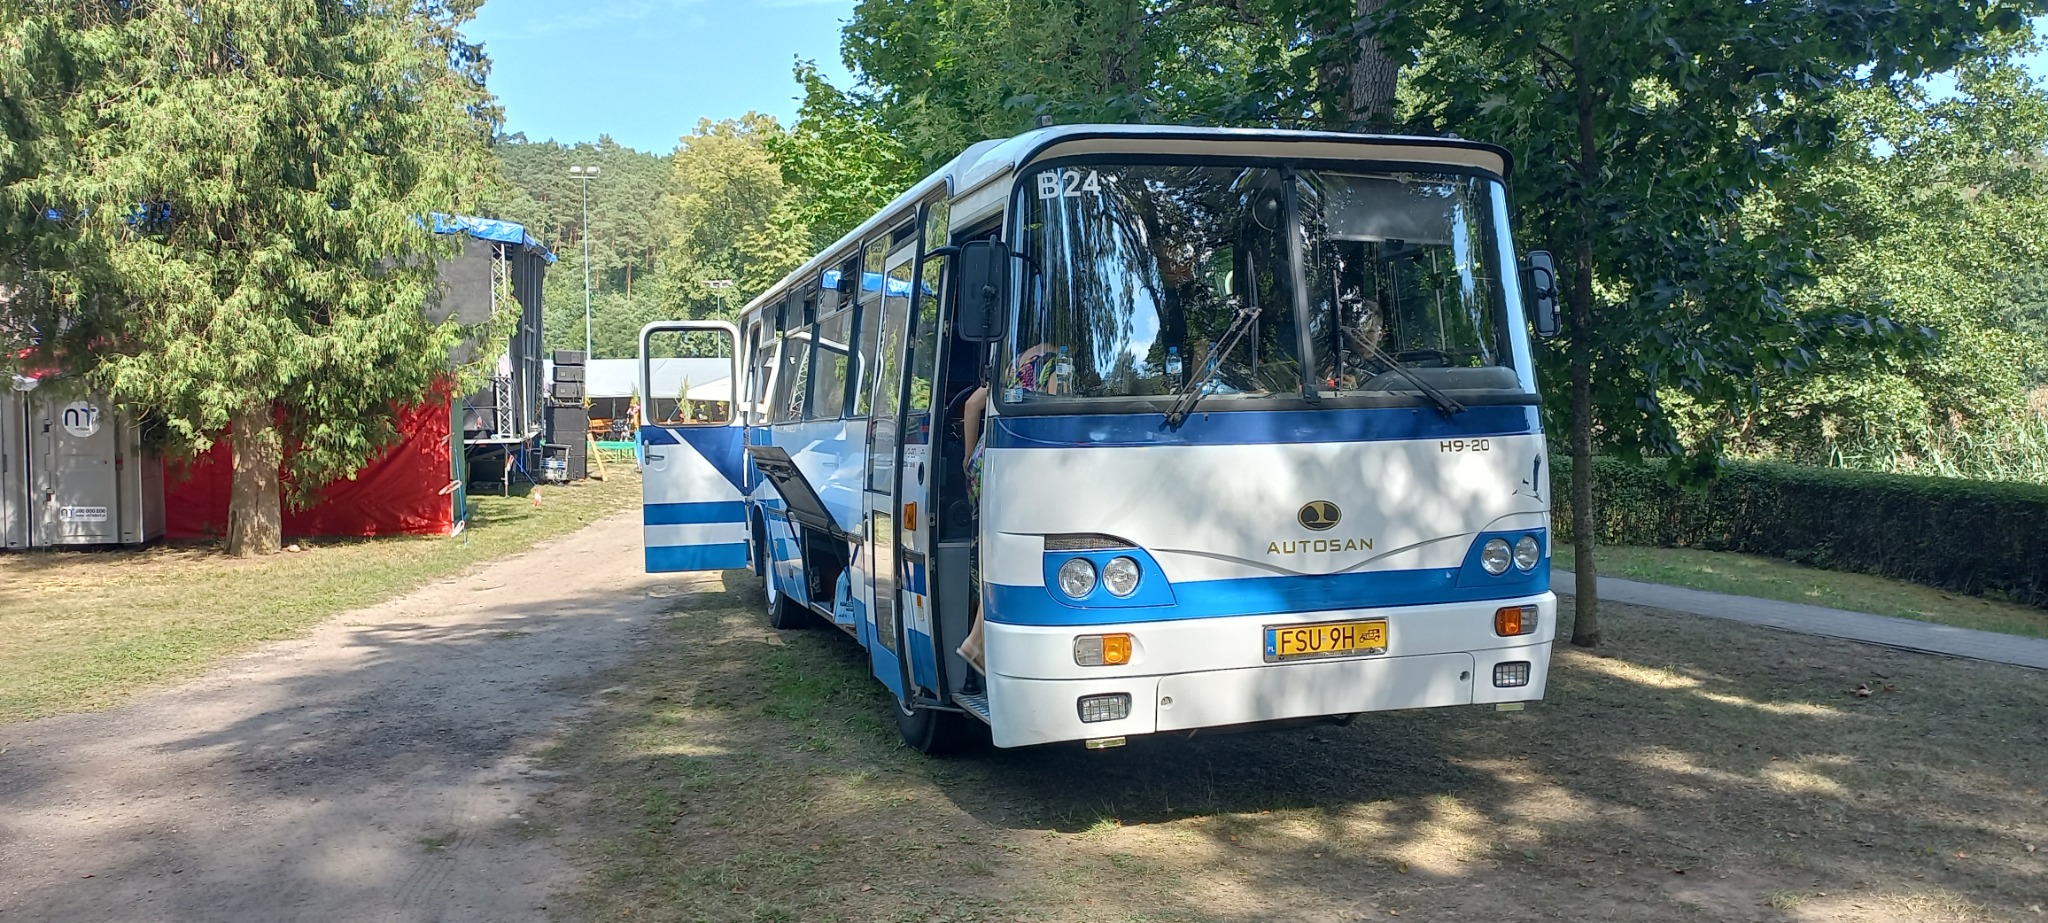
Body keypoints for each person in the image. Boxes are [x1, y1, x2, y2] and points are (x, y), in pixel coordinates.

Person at [954, 341, 1060, 673]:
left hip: (988, 461)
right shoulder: (1057, 362)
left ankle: (980, 641)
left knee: (995, 553)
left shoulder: (1016, 362)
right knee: (1019, 554)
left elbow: (972, 405)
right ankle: (979, 643)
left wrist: (968, 457)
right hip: (1022, 463)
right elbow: (1053, 418)